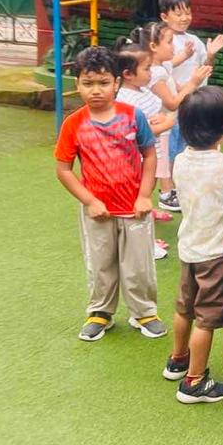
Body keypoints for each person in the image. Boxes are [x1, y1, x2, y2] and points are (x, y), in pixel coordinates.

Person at [54, 45, 165, 342]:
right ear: (77, 84)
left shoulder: (133, 116)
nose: (96, 90)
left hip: (135, 208)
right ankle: (100, 312)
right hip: (98, 211)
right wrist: (90, 201)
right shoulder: (73, 124)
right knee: (101, 263)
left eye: (103, 82)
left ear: (116, 82)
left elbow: (149, 155)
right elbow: (63, 169)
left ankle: (144, 312)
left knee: (139, 265)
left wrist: (145, 195)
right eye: (88, 83)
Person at [163, 86, 223, 405]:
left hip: (190, 248)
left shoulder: (181, 160)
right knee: (206, 319)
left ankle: (177, 359)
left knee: (185, 308)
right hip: (217, 255)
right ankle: (195, 381)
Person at [137, 21, 211, 212]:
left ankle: (162, 196)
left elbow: (178, 87)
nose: (173, 47)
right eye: (169, 42)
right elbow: (171, 102)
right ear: (153, 46)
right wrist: (193, 82)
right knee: (161, 163)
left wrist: (193, 81)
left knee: (170, 157)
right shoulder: (155, 73)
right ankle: (165, 194)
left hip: (171, 123)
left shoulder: (162, 67)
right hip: (161, 126)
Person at [113, 41, 177, 257]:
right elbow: (145, 132)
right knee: (138, 198)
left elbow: (153, 118)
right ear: (128, 74)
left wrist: (162, 119)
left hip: (150, 155)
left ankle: (145, 233)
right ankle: (142, 243)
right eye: (146, 69)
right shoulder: (127, 100)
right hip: (138, 160)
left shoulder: (141, 92)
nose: (151, 73)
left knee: (145, 194)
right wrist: (168, 122)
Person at [159, 0, 223, 163]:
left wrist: (210, 55)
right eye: (178, 14)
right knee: (171, 148)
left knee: (192, 146)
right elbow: (162, 67)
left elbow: (206, 68)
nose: (185, 18)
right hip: (173, 104)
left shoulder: (194, 40)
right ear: (164, 17)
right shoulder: (162, 41)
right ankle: (170, 179)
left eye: (188, 13)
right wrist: (180, 85)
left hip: (194, 103)